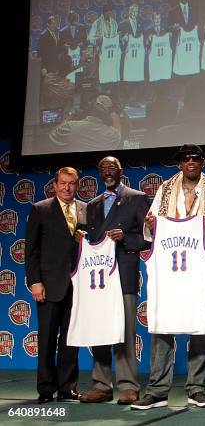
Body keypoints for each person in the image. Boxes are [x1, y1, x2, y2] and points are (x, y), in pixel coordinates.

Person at [131, 144, 205, 410]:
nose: (190, 162)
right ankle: (158, 390)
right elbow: (152, 227)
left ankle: (197, 388)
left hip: (197, 268)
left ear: (203, 162)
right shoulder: (165, 190)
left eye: (195, 158)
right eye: (185, 159)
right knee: (162, 325)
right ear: (179, 164)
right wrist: (150, 225)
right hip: (169, 269)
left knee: (199, 326)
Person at [78, 157, 150, 405]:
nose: (108, 172)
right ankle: (101, 384)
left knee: (125, 330)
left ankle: (128, 386)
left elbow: (149, 238)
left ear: (121, 171)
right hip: (97, 279)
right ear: (99, 174)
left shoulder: (137, 197)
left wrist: (127, 237)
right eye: (103, 169)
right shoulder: (93, 205)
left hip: (124, 273)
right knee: (99, 328)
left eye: (112, 169)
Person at [25, 167, 86, 403]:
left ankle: (67, 387)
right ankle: (46, 389)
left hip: (78, 286)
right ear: (55, 185)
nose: (67, 188)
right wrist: (35, 282)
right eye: (63, 183)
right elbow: (31, 251)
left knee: (71, 340)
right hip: (49, 285)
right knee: (48, 339)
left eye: (71, 183)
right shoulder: (40, 209)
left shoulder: (85, 209)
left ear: (77, 185)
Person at [47, 94, 122, 152]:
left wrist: (70, 116)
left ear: (90, 108)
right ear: (108, 114)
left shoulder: (70, 126)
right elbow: (118, 133)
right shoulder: (111, 135)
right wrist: (115, 117)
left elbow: (51, 135)